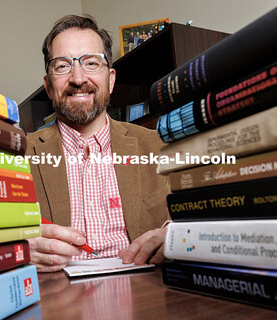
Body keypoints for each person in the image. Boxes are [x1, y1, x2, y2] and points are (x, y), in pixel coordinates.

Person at [26, 15, 170, 272]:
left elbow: (206, 215)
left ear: (111, 79)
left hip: (148, 294)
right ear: (48, 87)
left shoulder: (159, 145)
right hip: (59, 303)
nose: (78, 78)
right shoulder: (16, 154)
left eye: (91, 63)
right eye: (62, 66)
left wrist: (173, 233)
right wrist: (17, 249)